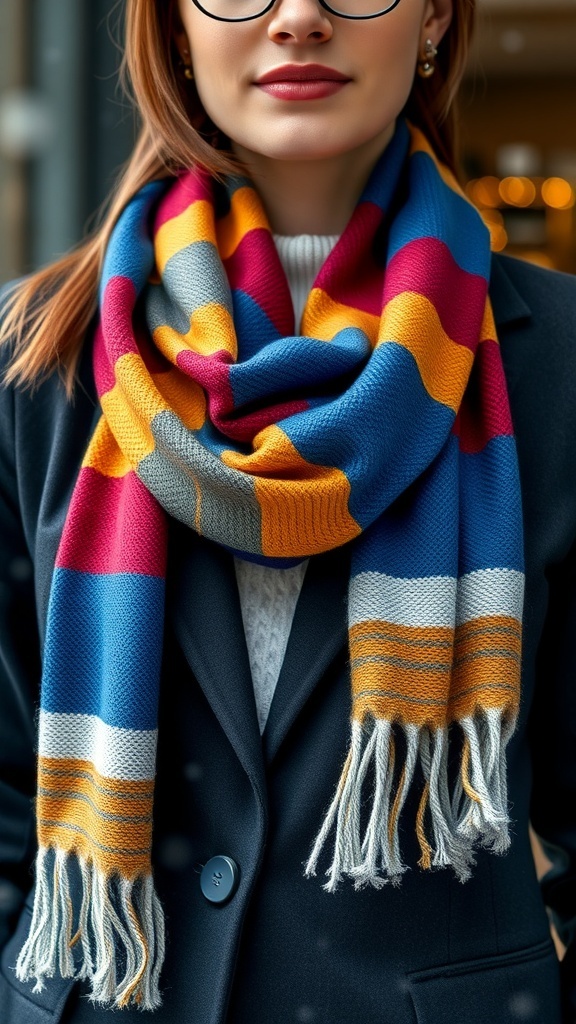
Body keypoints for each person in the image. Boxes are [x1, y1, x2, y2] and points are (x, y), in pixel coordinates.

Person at [0, 0, 575, 1020]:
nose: (299, 16)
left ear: (436, 16)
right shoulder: (36, 364)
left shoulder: (557, 363)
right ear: (174, 26)